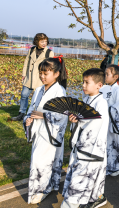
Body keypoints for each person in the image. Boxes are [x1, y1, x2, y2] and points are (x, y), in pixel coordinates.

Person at [62, 68, 109, 208]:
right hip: (82, 147)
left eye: (86, 82)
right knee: (85, 178)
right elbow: (85, 120)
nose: (83, 85)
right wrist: (75, 120)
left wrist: (80, 121)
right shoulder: (86, 99)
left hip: (91, 148)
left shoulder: (101, 103)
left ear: (99, 85)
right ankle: (94, 198)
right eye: (83, 82)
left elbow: (96, 125)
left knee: (79, 182)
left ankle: (71, 204)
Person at [23, 57, 68, 204]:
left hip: (50, 134)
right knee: (40, 161)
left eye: (45, 73)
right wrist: (28, 119)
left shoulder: (59, 91)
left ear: (56, 74)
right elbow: (31, 109)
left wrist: (44, 115)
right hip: (38, 130)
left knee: (40, 162)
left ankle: (41, 190)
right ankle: (47, 186)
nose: (42, 76)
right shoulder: (37, 90)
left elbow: (62, 115)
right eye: (40, 73)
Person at [12, 33, 54, 121]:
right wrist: (24, 74)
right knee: (24, 95)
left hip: (41, 79)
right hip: (29, 77)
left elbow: (51, 68)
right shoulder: (31, 50)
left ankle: (36, 115)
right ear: (37, 41)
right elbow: (26, 63)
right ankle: (21, 113)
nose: (44, 43)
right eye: (42, 41)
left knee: (38, 98)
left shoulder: (49, 53)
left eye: (45, 41)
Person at [100, 64, 119, 177]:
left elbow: (118, 108)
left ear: (115, 77)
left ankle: (117, 166)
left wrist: (106, 109)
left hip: (113, 123)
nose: (105, 76)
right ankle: (109, 165)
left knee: (115, 144)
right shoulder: (104, 88)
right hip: (105, 122)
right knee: (107, 145)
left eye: (107, 74)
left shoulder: (118, 90)